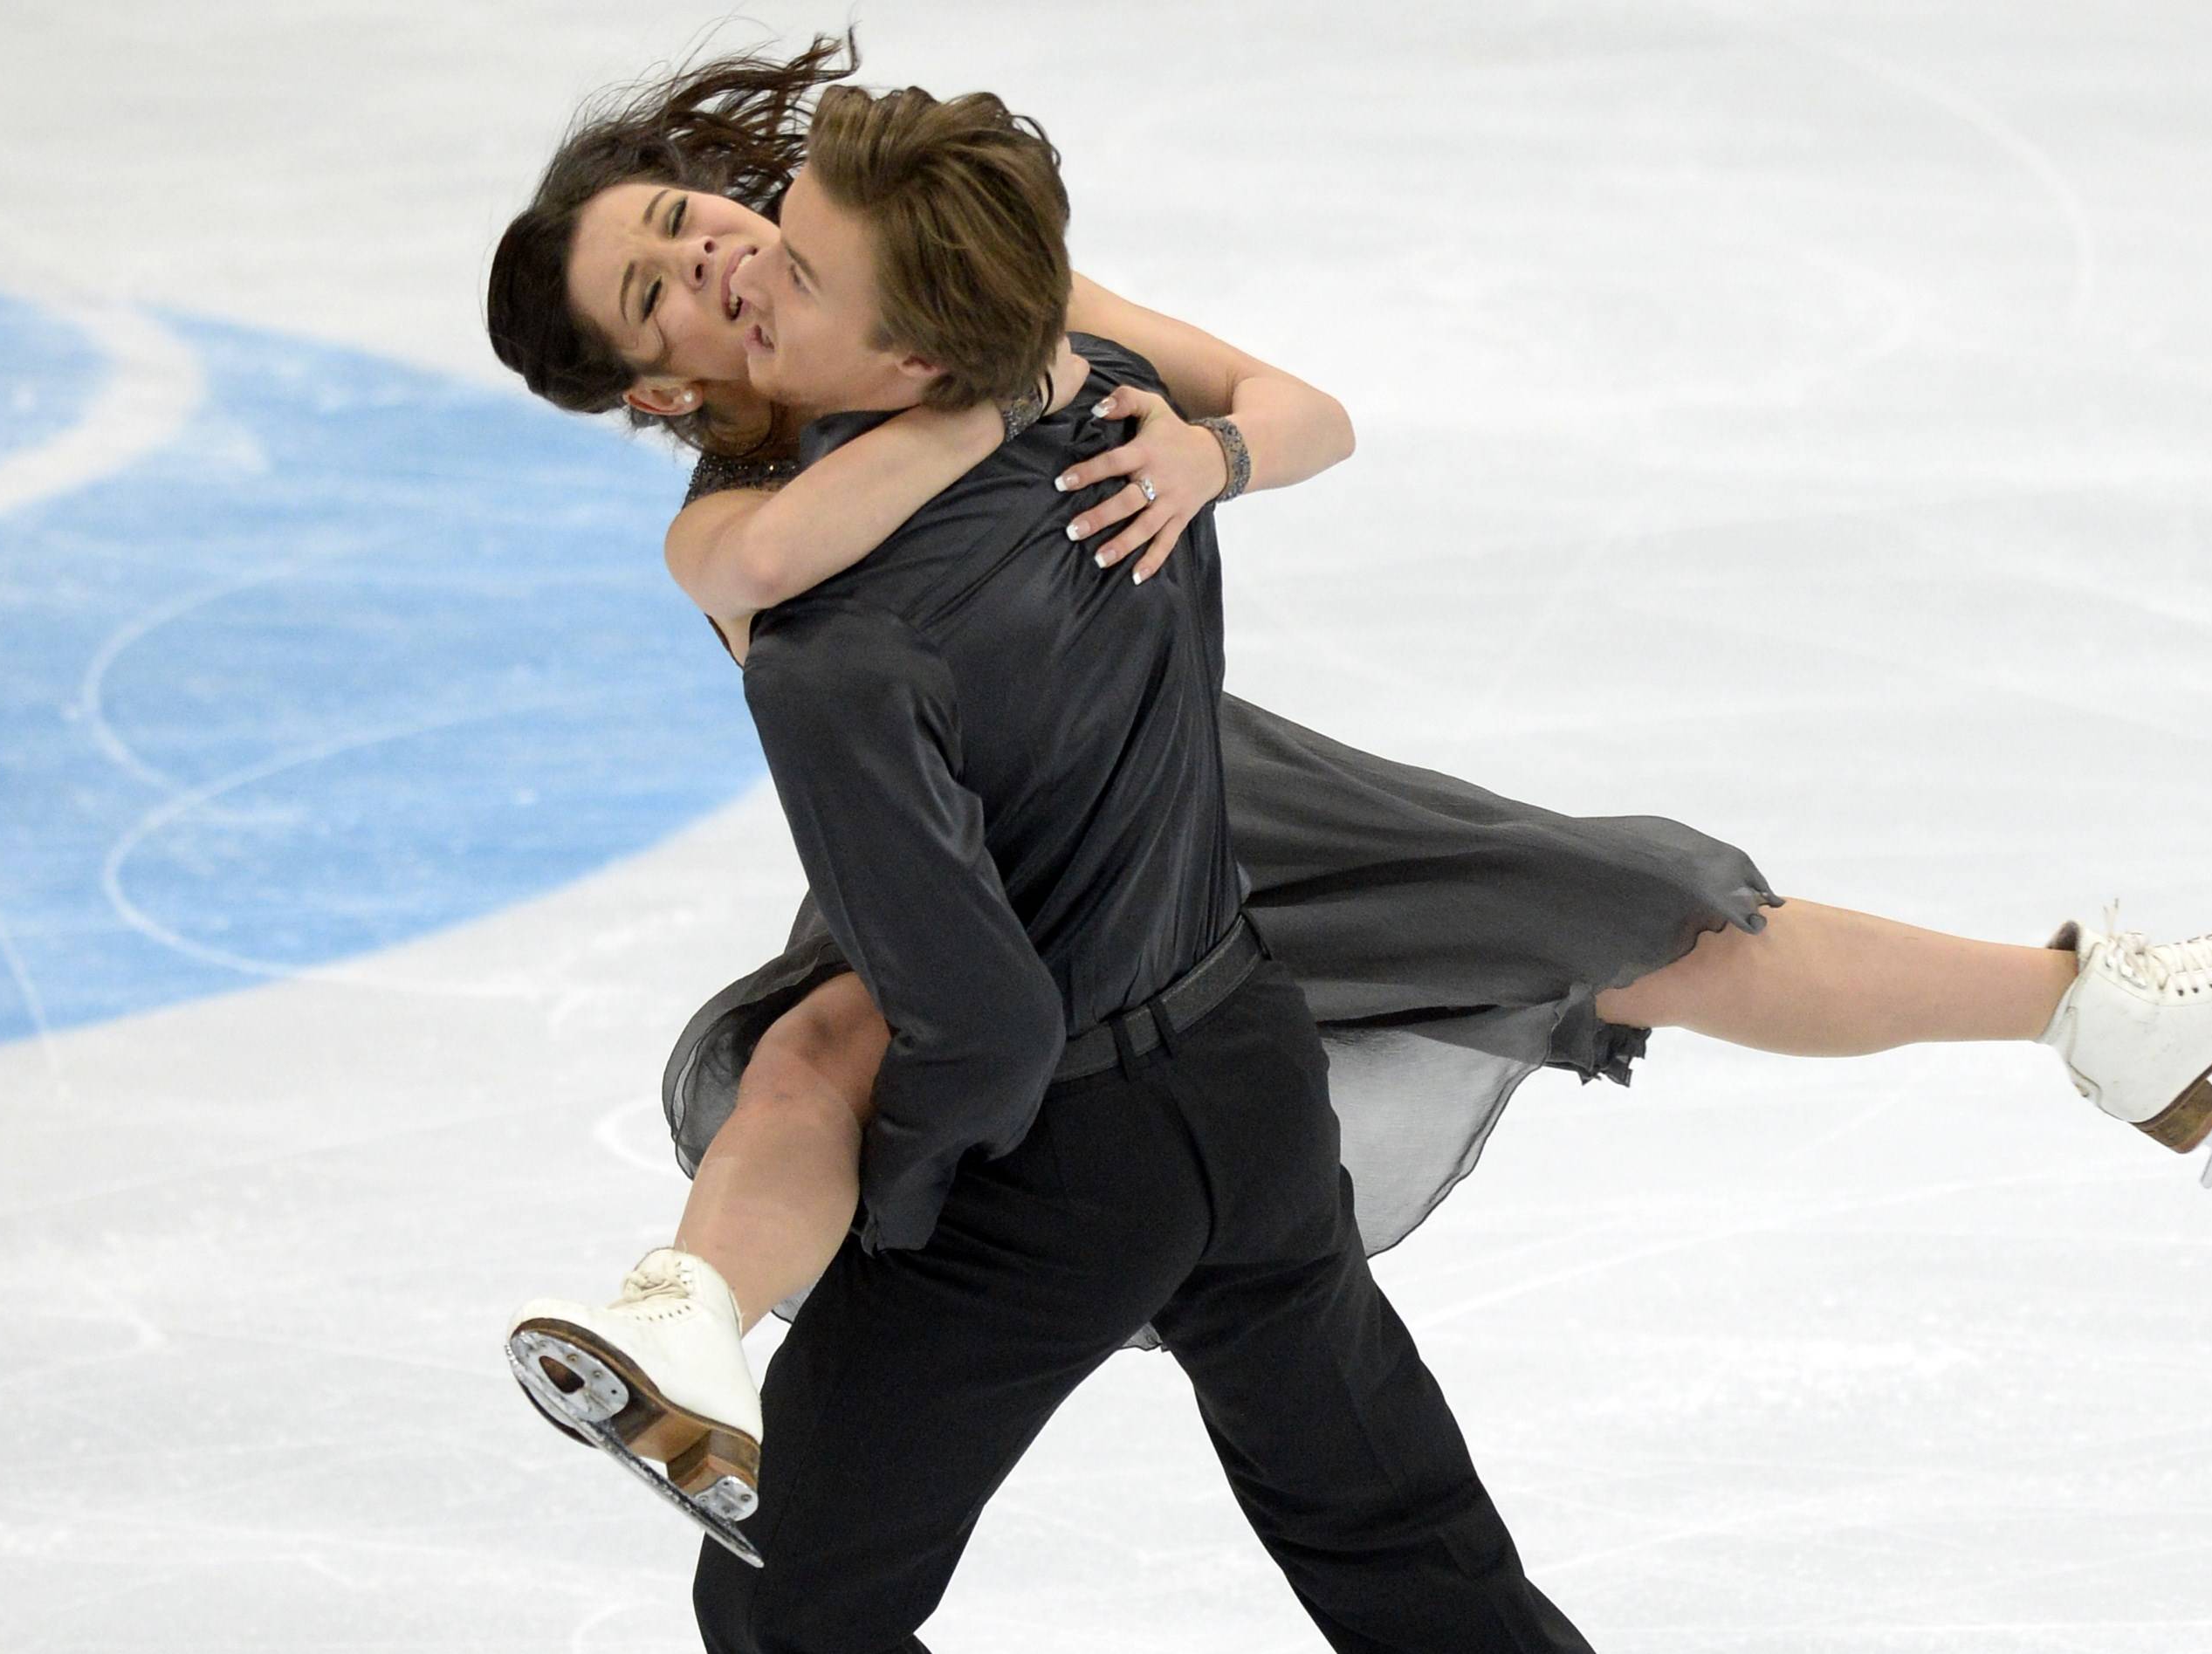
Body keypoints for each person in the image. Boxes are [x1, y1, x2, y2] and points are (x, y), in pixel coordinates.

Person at [485, 29, 2212, 1583]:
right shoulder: (776, 491)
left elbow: (1304, 410)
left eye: (685, 216)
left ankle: (2098, 1013)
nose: (712, 257)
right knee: (824, 1049)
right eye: (659, 289)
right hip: (996, 834)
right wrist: (996, 393)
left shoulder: (947, 279)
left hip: (1191, 779)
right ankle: (690, 1320)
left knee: (1616, 911)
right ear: (654, 385)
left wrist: (1210, 451)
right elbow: (790, 560)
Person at [560, 79, 1605, 1651]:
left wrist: (889, 1208)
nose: (750, 271)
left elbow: (984, 1025)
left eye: (799, 273)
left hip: (1060, 1162)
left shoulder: (834, 653)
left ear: (914, 362)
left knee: (790, 1615)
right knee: (1403, 1548)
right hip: (1251, 1072)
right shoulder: (1123, 412)